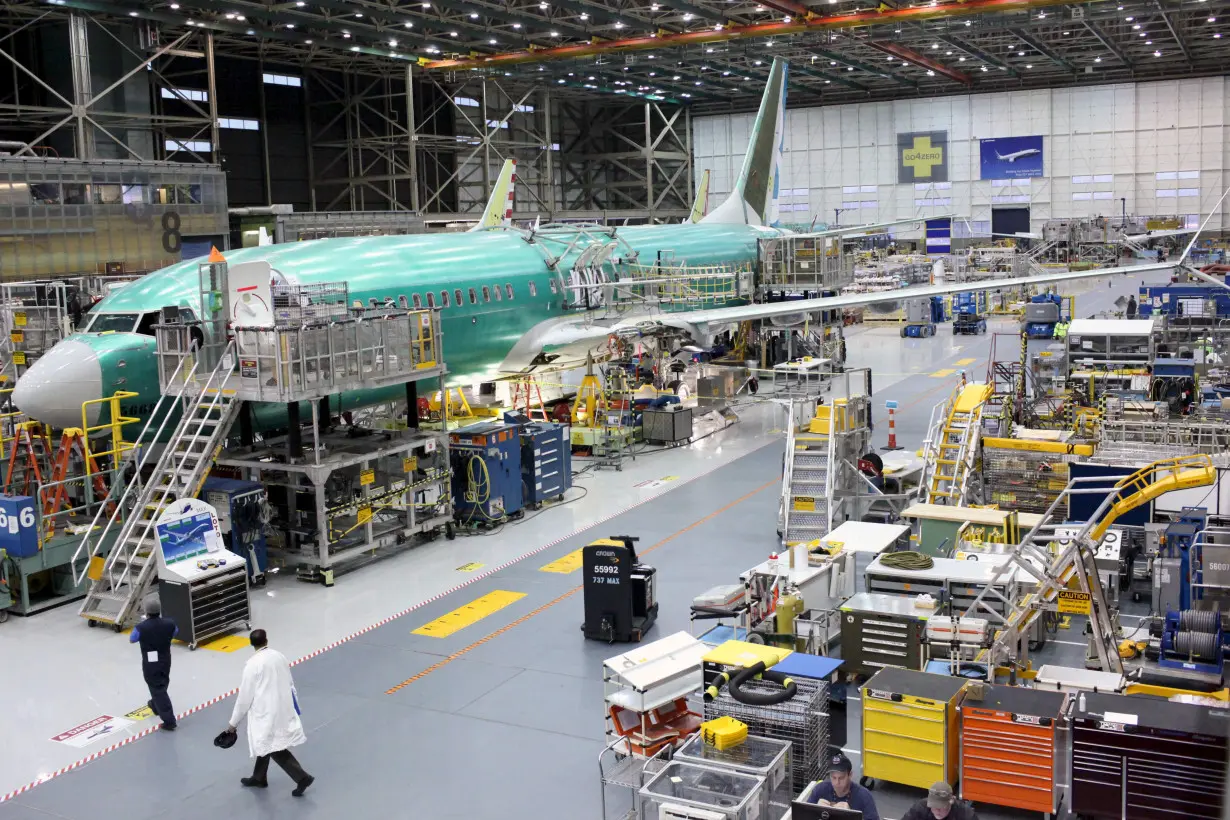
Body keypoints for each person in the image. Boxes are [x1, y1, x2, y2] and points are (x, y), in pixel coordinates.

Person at [226, 629, 315, 797]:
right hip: (282, 706)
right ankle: (259, 777)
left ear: (251, 644)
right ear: (266, 640)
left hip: (265, 713)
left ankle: (302, 777)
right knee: (265, 743)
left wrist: (232, 724)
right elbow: (290, 682)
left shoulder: (252, 665)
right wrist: (295, 707)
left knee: (272, 746)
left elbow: (244, 698)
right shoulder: (279, 656)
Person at [130, 597, 177, 730]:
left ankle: (169, 720)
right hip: (165, 660)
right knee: (162, 683)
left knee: (158, 689)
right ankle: (155, 705)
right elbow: (175, 632)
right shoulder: (169, 623)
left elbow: (132, 639)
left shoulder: (141, 627)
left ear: (146, 612)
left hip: (151, 664)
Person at [804, 753, 880, 819]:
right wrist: (815, 812)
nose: (837, 783)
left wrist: (851, 816)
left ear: (850, 775)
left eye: (841, 778)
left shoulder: (864, 796)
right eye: (833, 777)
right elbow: (803, 815)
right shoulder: (820, 789)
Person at [902, 782, 980, 820]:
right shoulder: (920, 808)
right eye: (933, 806)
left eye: (941, 806)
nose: (937, 811)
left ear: (951, 800)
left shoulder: (966, 816)